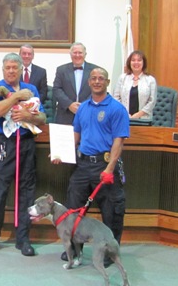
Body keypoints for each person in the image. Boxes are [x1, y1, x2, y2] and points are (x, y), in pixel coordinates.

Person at [52, 67, 130, 266]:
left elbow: (118, 142)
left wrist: (110, 168)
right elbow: (75, 137)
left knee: (111, 212)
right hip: (83, 166)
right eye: (93, 78)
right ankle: (75, 252)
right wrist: (60, 153)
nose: (97, 81)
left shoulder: (116, 109)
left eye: (101, 78)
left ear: (107, 82)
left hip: (104, 166)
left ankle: (110, 253)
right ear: (89, 82)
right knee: (74, 212)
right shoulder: (83, 108)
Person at [0, 53, 46, 257]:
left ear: (20, 69)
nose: (10, 71)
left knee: (26, 192)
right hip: (4, 144)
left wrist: (28, 116)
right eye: (7, 67)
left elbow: (42, 117)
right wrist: (15, 97)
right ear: (3, 69)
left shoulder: (31, 89)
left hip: (26, 143)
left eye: (14, 68)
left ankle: (23, 239)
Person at [52, 42, 99, 124]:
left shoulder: (95, 70)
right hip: (65, 115)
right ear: (70, 54)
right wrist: (69, 104)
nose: (77, 55)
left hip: (88, 113)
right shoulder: (61, 70)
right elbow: (56, 89)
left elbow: (97, 90)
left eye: (80, 52)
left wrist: (84, 106)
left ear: (85, 54)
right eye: (75, 52)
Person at [113, 50, 157, 120]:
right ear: (129, 63)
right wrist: (125, 113)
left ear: (143, 63)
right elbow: (116, 98)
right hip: (123, 117)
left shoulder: (150, 80)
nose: (136, 62)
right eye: (133, 60)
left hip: (143, 119)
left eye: (139, 60)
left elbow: (152, 101)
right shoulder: (122, 78)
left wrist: (137, 115)